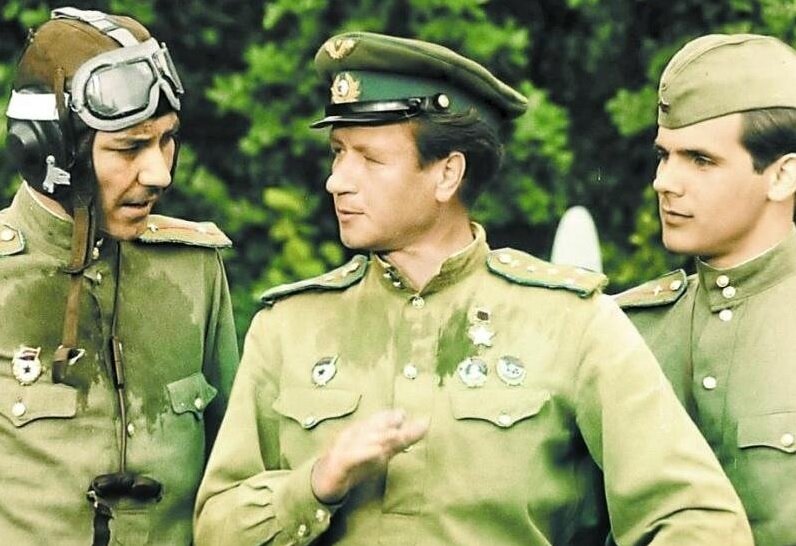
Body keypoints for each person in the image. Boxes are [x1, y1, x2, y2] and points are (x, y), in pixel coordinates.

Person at [194, 31, 751, 546]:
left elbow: (698, 520)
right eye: (338, 151)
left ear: (447, 174)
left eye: (370, 158)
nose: (337, 180)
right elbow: (215, 527)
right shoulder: (288, 327)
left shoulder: (571, 323)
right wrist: (317, 483)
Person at [0, 7, 238, 545]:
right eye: (129, 147)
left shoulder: (194, 268)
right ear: (48, 152)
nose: (160, 173)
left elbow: (235, 473)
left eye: (166, 140)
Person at [615, 33, 796, 546]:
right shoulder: (623, 332)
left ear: (782, 176)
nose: (664, 182)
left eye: (700, 160)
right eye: (664, 155)